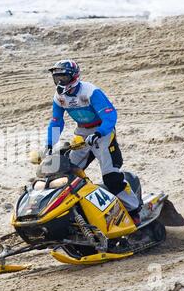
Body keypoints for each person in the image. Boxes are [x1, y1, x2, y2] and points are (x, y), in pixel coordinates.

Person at [46, 59, 142, 224]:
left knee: (111, 178)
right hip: (81, 133)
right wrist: (49, 143)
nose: (60, 82)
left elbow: (110, 115)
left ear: (74, 77)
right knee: (66, 174)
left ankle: (135, 212)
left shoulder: (90, 91)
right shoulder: (59, 97)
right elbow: (56, 122)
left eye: (64, 78)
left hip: (101, 133)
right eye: (57, 78)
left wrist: (99, 132)